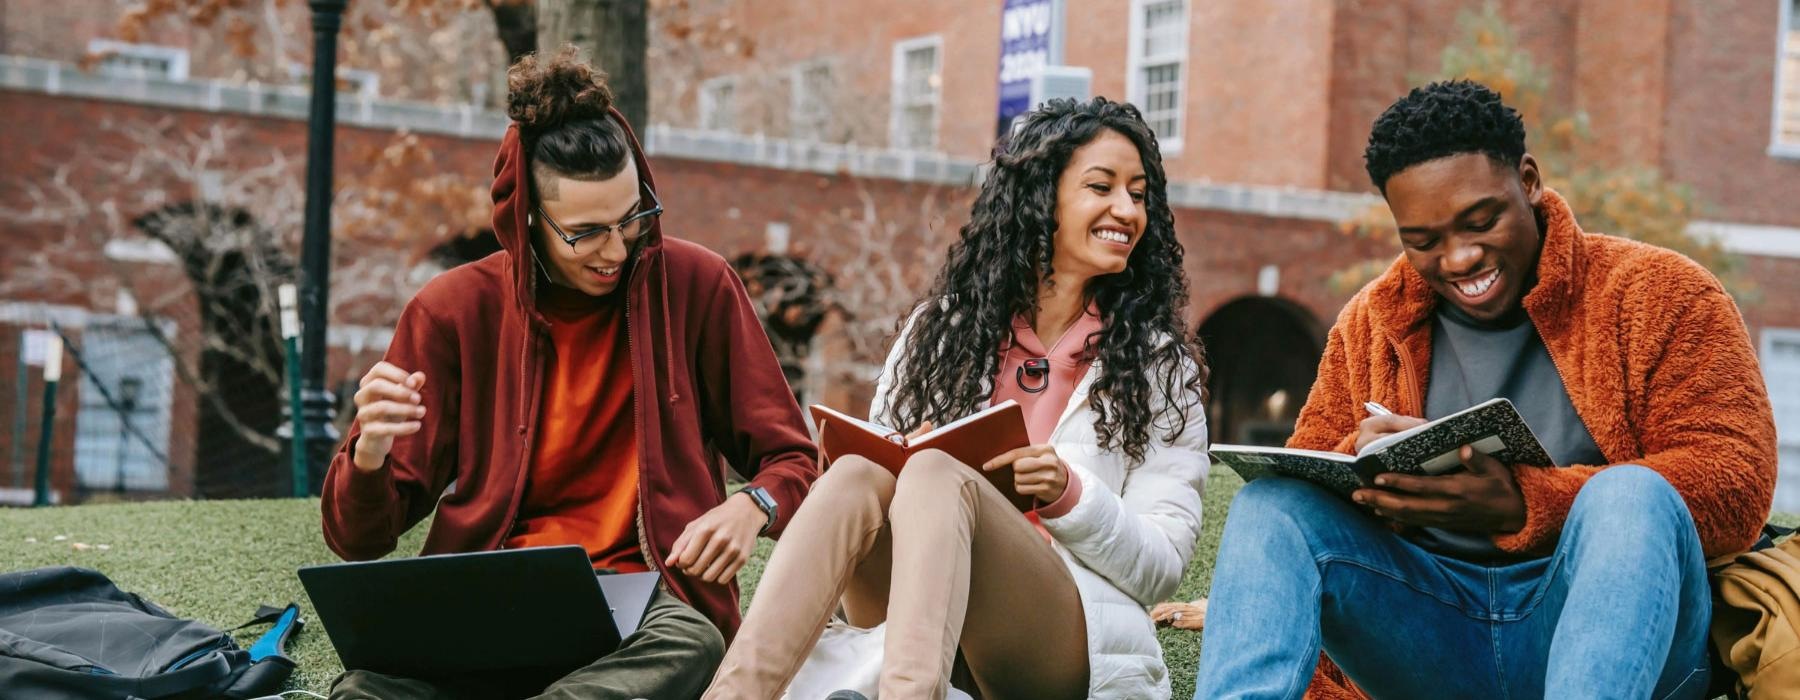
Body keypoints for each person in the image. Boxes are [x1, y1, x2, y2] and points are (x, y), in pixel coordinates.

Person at [1194, 79, 1778, 700]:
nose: (1459, 257)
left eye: (1481, 221)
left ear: (1528, 181)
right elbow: (1311, 481)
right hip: (1435, 639)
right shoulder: (1372, 321)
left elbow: (1735, 480)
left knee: (1630, 494)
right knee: (1272, 507)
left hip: (1622, 643)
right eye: (1423, 241)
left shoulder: (1662, 294)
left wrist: (1527, 504)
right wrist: (1364, 468)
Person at [319, 48, 820, 700]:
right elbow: (357, 541)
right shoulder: (451, 311)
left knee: (693, 641)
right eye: (586, 233)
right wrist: (370, 453)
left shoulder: (699, 287)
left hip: (643, 602)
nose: (617, 249)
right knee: (362, 689)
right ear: (527, 218)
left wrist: (752, 505)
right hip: (489, 594)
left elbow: (793, 456)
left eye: (632, 218)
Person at [703, 96, 1211, 700]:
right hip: (911, 610)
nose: (1126, 210)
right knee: (857, 476)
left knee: (942, 473)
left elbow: (1161, 565)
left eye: (1139, 193)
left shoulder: (1156, 365)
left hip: (1057, 643)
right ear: (1038, 198)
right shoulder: (936, 333)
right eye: (1101, 187)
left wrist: (1069, 494)